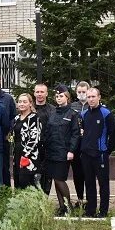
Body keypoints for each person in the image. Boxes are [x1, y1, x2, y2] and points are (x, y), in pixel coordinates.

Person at [41, 85, 81, 215]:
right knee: (54, 178)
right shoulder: (53, 113)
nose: (59, 98)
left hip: (64, 152)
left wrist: (71, 150)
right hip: (51, 151)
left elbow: (75, 134)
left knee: (59, 179)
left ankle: (68, 206)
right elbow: (47, 131)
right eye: (57, 96)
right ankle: (62, 207)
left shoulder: (73, 114)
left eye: (61, 96)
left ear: (67, 97)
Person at [79, 87, 115, 218]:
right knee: (89, 183)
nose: (90, 99)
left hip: (100, 155)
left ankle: (103, 211)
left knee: (103, 184)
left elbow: (113, 134)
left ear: (99, 97)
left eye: (93, 97)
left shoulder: (106, 113)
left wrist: (106, 151)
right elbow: (81, 133)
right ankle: (90, 210)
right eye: (88, 97)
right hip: (86, 155)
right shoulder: (83, 115)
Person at [12, 93, 42, 190]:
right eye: (20, 102)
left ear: (30, 104)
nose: (21, 104)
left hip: (29, 155)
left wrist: (25, 154)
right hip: (16, 152)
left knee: (27, 182)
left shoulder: (34, 118)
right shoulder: (16, 118)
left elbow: (35, 138)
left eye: (25, 102)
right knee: (17, 181)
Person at [69, 81, 90, 208]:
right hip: (76, 146)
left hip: (88, 146)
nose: (82, 94)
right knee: (77, 173)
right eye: (79, 92)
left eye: (84, 92)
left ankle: (89, 198)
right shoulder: (72, 106)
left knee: (88, 173)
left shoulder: (92, 105)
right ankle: (80, 198)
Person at [33, 83, 55, 195]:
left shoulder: (52, 110)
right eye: (37, 92)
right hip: (32, 148)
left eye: (42, 92)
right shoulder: (30, 108)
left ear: (46, 93)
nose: (39, 94)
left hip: (48, 147)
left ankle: (44, 199)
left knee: (47, 176)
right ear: (34, 93)